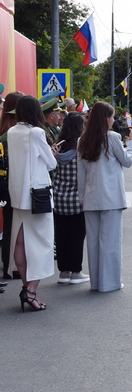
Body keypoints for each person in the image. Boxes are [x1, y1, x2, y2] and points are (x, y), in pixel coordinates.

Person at [77, 101, 132, 292]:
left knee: (93, 243)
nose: (113, 120)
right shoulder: (112, 137)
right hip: (111, 197)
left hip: (90, 197)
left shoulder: (82, 140)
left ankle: (96, 282)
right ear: (105, 118)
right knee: (110, 242)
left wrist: (81, 198)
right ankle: (109, 283)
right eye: (111, 116)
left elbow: (81, 174)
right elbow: (127, 161)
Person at [7, 95, 58, 311]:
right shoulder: (37, 132)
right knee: (43, 244)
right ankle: (31, 290)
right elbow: (52, 163)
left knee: (19, 242)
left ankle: (26, 287)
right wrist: (51, 151)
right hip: (38, 195)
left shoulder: (11, 132)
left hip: (18, 195)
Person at [53, 111, 90, 284]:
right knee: (76, 237)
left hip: (59, 199)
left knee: (61, 237)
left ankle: (63, 272)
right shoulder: (82, 148)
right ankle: (76, 272)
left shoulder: (58, 146)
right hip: (77, 200)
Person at [1, 90, 23, 280]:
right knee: (12, 227)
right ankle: (10, 266)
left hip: (7, 185)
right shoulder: (11, 134)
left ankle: (10, 265)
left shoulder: (6, 131)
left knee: (11, 226)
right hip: (11, 185)